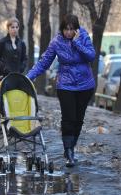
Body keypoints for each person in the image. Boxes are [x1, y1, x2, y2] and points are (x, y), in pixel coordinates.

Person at [26, 14, 96, 167]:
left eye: (71, 29)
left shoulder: (83, 37)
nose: (68, 33)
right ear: (62, 29)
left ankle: (71, 147)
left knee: (78, 119)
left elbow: (91, 56)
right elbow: (44, 62)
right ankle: (69, 151)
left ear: (76, 29)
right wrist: (28, 77)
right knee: (68, 118)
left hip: (85, 85)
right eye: (66, 29)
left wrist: (77, 43)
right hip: (66, 85)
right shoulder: (56, 42)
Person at [0, 17, 27, 131]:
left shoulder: (21, 43)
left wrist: (21, 68)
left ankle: (12, 125)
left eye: (16, 27)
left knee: (15, 99)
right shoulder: (2, 42)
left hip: (17, 77)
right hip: (3, 76)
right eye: (12, 27)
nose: (14, 29)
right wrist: (4, 67)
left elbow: (24, 59)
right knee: (2, 101)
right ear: (8, 28)